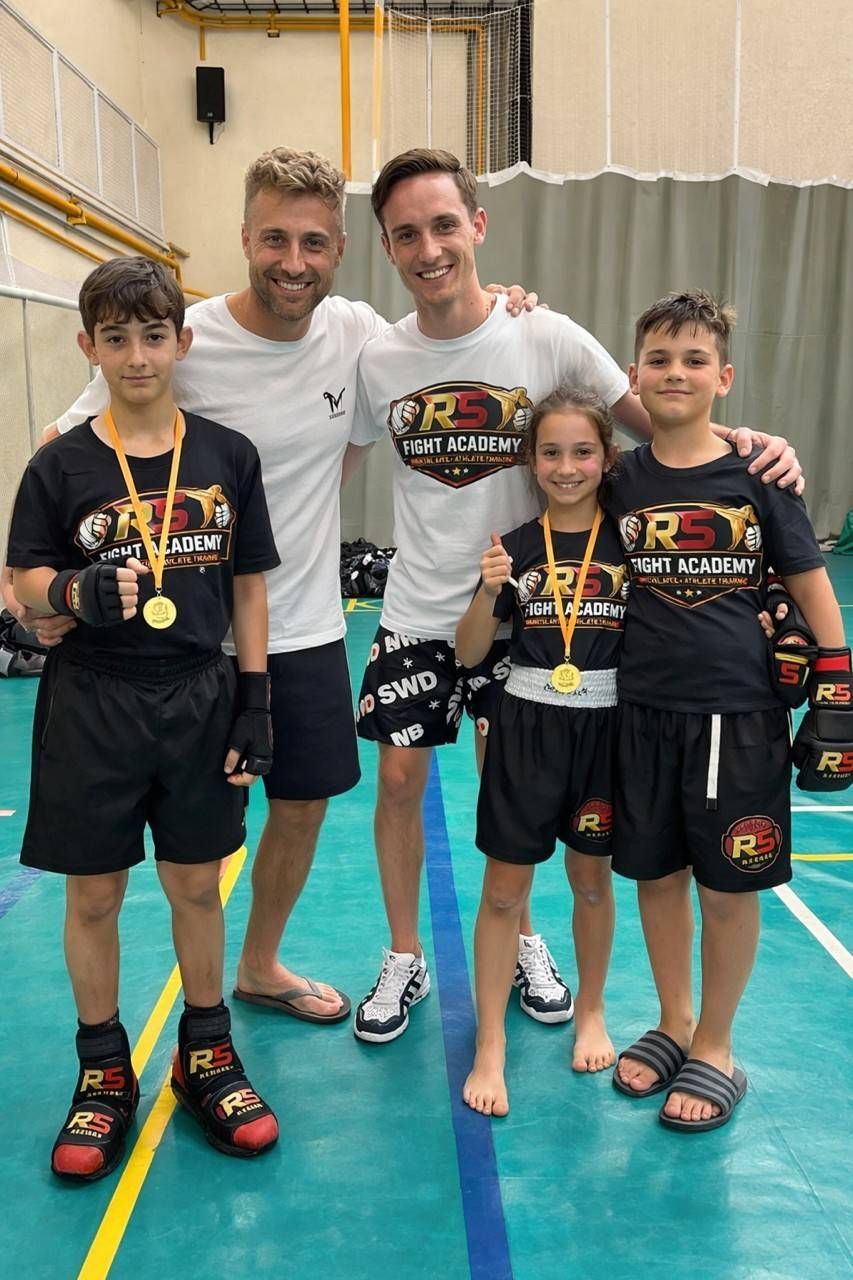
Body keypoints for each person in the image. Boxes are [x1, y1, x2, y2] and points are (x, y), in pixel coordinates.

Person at [4, 148, 537, 1027]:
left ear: (340, 250)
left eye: (314, 243)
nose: (294, 261)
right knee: (166, 855)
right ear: (245, 237)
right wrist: (32, 591)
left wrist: (510, 307)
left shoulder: (358, 334)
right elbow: (62, 452)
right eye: (276, 239)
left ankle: (258, 965)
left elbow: (443, 341)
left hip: (297, 624)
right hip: (168, 646)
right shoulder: (179, 337)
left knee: (302, 803)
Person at [349, 147, 801, 1045]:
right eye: (406, 234)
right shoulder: (378, 359)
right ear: (389, 248)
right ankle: (403, 955)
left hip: (534, 616)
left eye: (444, 225)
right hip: (419, 608)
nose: (429, 248)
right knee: (397, 782)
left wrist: (748, 448)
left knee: (508, 795)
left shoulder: (544, 334)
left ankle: (523, 941)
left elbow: (657, 428)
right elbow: (340, 455)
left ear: (477, 226)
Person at [6, 257, 281, 1178]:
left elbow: (248, 586)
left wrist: (255, 699)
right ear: (89, 346)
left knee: (197, 885)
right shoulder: (60, 464)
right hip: (93, 699)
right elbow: (24, 577)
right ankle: (103, 1072)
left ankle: (206, 1057)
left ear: (182, 342)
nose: (136, 356)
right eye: (117, 338)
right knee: (93, 896)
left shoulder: (227, 455)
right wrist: (70, 591)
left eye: (153, 336)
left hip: (199, 696)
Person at [609, 290, 851, 1131]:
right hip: (640, 710)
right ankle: (674, 1021)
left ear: (724, 377)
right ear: (634, 374)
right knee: (655, 876)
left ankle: (714, 1043)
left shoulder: (758, 475)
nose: (674, 373)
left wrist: (837, 686)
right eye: (658, 359)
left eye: (694, 360)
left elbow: (810, 584)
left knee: (726, 885)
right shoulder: (619, 480)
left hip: (736, 716)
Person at [456, 386, 624, 1114]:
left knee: (590, 881)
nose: (566, 467)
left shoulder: (627, 542)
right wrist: (486, 592)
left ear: (606, 458)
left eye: (582, 452)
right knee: (503, 890)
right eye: (551, 452)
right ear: (531, 460)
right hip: (524, 726)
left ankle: (592, 1009)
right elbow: (469, 653)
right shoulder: (517, 547)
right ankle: (489, 1042)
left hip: (604, 729)